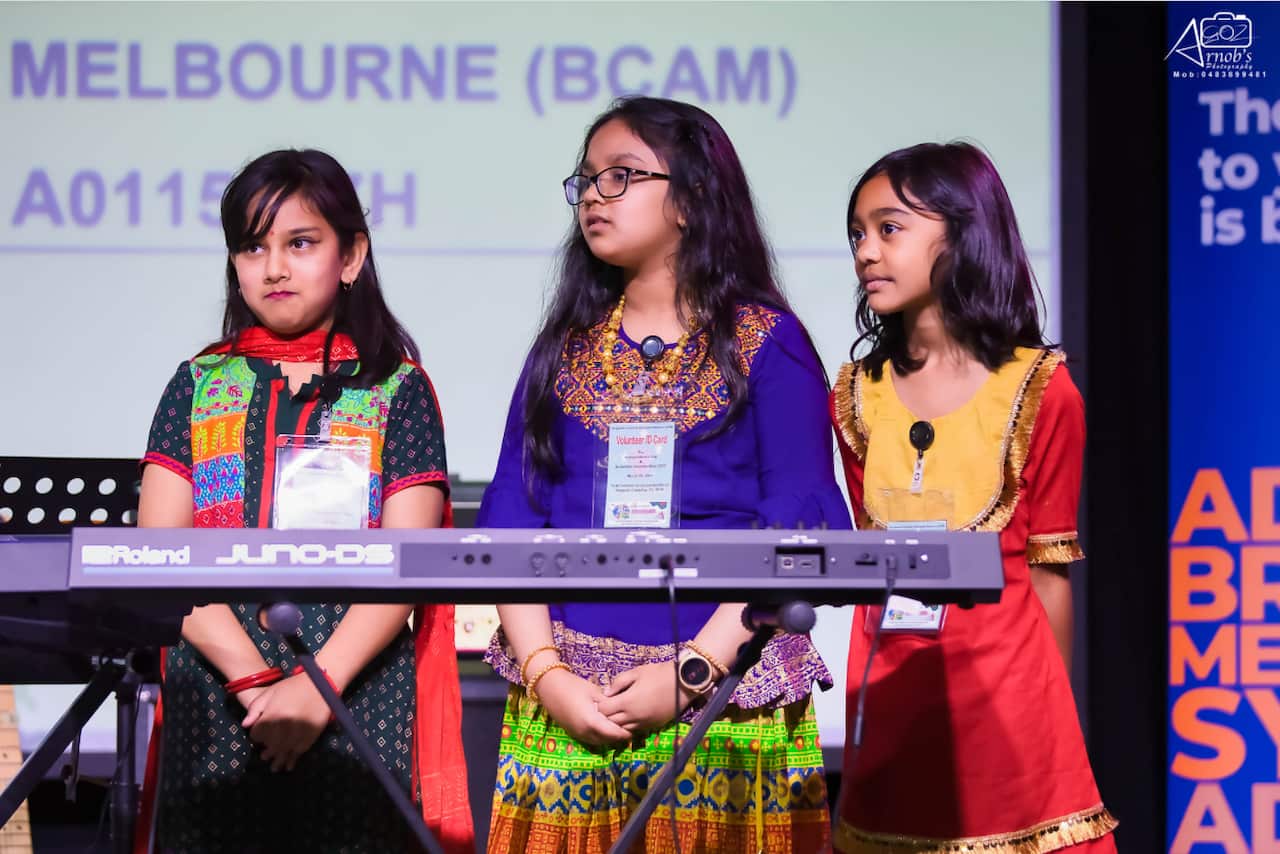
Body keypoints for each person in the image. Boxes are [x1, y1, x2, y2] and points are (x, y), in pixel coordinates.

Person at [478, 96, 850, 853]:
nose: (592, 195)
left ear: (691, 198)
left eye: (621, 176)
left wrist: (689, 674)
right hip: (567, 707)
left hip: (725, 704)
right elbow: (511, 527)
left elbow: (792, 538)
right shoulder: (563, 350)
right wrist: (549, 678)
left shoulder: (766, 344)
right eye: (584, 180)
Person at [135, 148, 473, 853]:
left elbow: (407, 565)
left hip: (359, 694)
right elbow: (158, 558)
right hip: (216, 689)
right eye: (252, 247)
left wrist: (317, 688)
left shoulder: (396, 391)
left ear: (352, 256)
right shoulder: (196, 384)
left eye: (300, 243)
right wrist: (256, 681)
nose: (274, 268)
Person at [830, 141, 1117, 853]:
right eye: (858, 234)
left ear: (963, 235)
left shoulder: (1042, 390)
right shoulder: (855, 398)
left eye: (890, 228)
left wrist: (1052, 727)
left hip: (1011, 714)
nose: (868, 250)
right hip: (894, 706)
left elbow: (1049, 573)